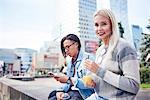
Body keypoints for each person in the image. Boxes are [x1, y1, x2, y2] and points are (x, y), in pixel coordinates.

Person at [84, 9, 140, 100]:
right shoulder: (100, 49)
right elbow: (103, 77)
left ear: (112, 25)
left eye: (104, 24)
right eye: (96, 25)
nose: (99, 29)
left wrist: (99, 71)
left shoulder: (124, 47)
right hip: (98, 96)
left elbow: (133, 86)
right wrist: (91, 80)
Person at [48, 34, 95, 100]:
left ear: (76, 44)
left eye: (68, 47)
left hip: (83, 93)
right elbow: (67, 82)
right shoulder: (69, 60)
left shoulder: (89, 59)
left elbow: (90, 84)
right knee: (52, 95)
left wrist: (68, 80)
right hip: (71, 90)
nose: (66, 51)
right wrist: (60, 90)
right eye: (64, 48)